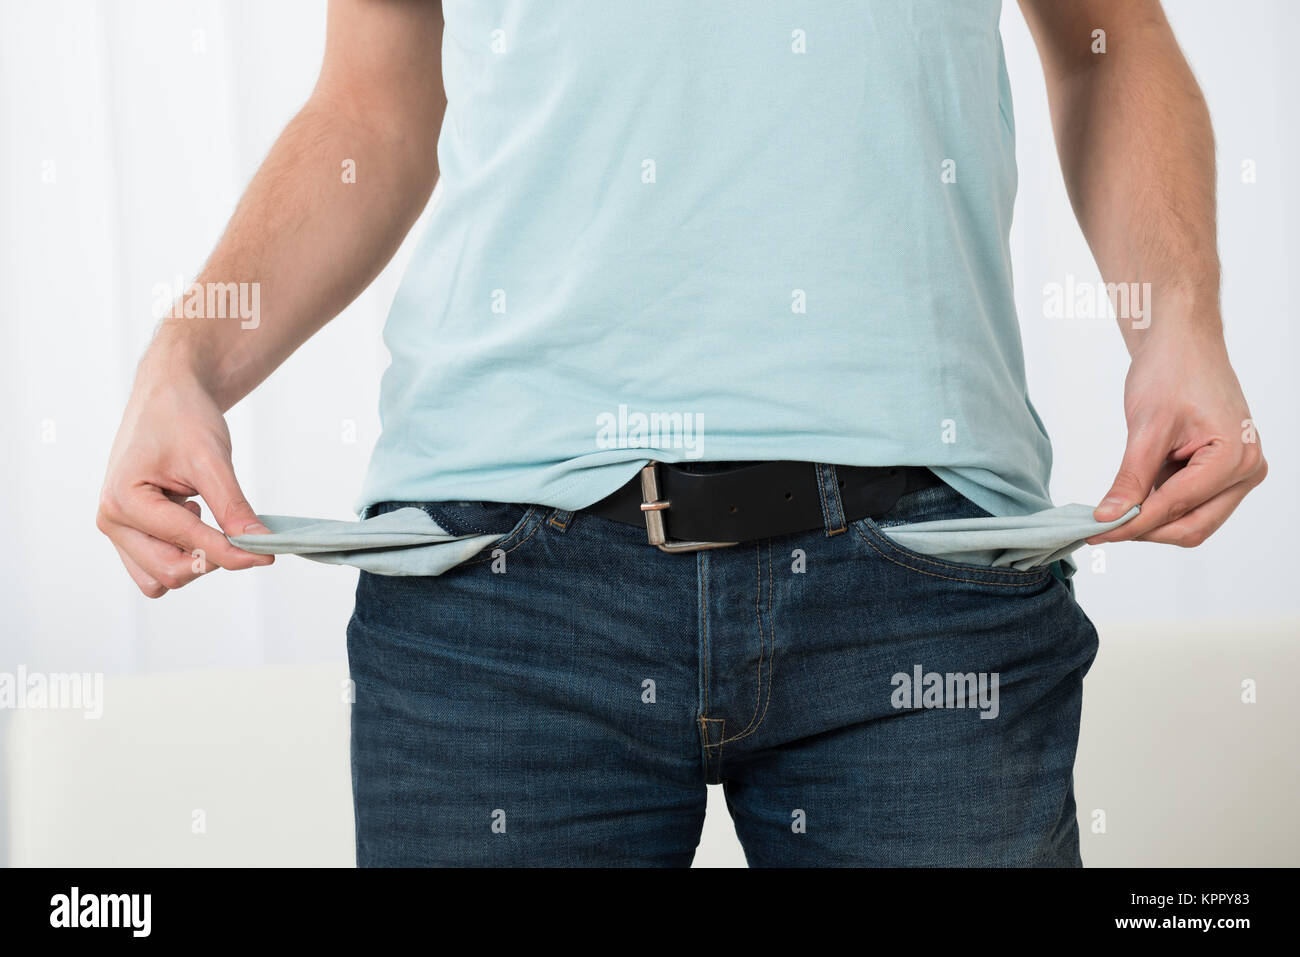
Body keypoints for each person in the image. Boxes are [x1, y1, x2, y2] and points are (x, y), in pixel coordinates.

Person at [97, 0, 1266, 866]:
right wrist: (185, 358)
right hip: (495, 598)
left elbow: (1108, 44)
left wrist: (1178, 324)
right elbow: (370, 107)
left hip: (922, 576)